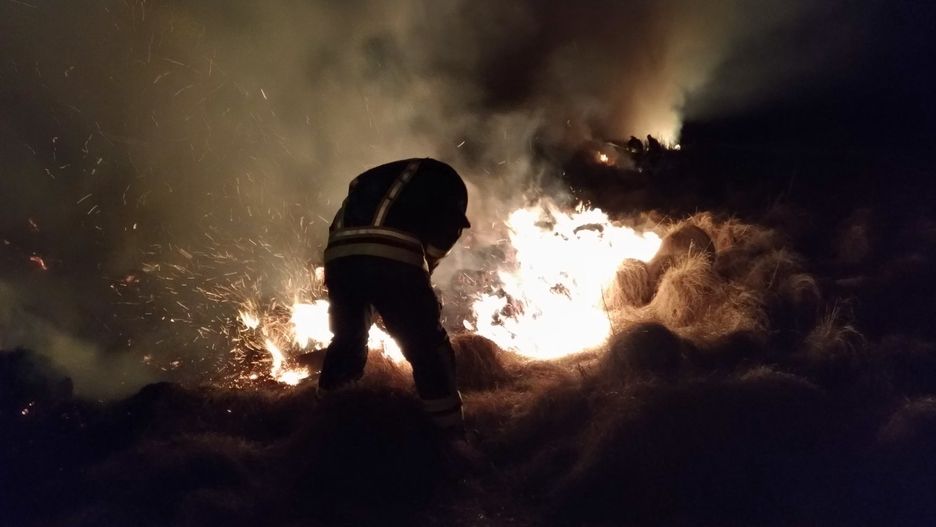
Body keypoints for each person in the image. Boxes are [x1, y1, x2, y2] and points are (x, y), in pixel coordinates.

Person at [319, 158, 470, 436]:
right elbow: (442, 237)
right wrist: (421, 284)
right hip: (392, 260)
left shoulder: (374, 183)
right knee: (427, 347)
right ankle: (452, 438)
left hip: (339, 259)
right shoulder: (446, 184)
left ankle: (326, 425)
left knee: (347, 341)